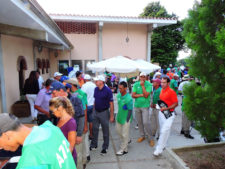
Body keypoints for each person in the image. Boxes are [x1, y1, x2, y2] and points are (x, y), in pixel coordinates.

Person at [0, 113, 76, 169]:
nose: (0, 148)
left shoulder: (30, 159)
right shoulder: (51, 128)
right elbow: (69, 149)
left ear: (6, 135)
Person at [64, 78, 88, 169]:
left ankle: (82, 163)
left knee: (79, 150)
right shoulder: (70, 97)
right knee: (81, 147)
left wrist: (84, 126)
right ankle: (84, 161)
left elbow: (83, 111)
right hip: (75, 127)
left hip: (78, 127)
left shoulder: (79, 95)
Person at [153, 77, 178, 156]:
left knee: (164, 131)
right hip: (161, 114)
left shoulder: (172, 91)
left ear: (168, 83)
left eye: (164, 82)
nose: (162, 84)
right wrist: (159, 106)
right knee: (165, 131)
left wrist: (167, 108)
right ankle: (164, 144)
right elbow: (162, 101)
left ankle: (158, 149)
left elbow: (176, 104)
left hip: (169, 114)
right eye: (162, 82)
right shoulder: (161, 90)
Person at [90, 75, 114, 155]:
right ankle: (94, 144)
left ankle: (105, 147)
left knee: (105, 130)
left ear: (101, 81)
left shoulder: (108, 90)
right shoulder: (95, 89)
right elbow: (95, 100)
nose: (95, 82)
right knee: (95, 129)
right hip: (96, 112)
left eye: (97, 81)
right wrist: (93, 110)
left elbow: (111, 103)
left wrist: (111, 116)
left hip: (104, 112)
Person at [49, 96, 77, 164]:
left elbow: (71, 146)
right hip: (60, 156)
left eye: (53, 111)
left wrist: (63, 161)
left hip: (67, 160)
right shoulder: (59, 119)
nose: (53, 113)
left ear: (60, 108)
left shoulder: (71, 122)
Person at [132, 72, 154, 147]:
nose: (142, 78)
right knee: (140, 122)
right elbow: (133, 95)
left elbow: (146, 95)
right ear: (139, 77)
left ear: (146, 77)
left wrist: (142, 86)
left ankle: (151, 138)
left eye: (144, 77)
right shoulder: (135, 84)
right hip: (137, 105)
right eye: (141, 76)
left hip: (145, 106)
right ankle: (142, 136)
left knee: (146, 122)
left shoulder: (148, 84)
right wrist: (141, 95)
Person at [116, 81, 133, 156]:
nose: (119, 90)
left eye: (121, 88)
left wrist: (127, 120)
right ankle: (127, 140)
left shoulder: (129, 98)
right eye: (119, 88)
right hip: (119, 117)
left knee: (124, 134)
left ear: (126, 88)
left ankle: (124, 149)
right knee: (119, 132)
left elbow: (130, 110)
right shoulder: (119, 95)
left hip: (126, 118)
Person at [178, 75, 194, 139]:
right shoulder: (191, 85)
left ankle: (182, 130)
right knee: (188, 119)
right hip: (188, 106)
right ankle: (186, 132)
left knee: (184, 118)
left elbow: (179, 91)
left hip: (184, 104)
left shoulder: (182, 84)